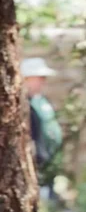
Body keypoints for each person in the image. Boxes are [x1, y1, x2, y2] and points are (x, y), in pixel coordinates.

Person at [21, 57, 63, 194]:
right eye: (39, 78)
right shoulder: (23, 105)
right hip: (37, 165)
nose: (43, 82)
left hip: (50, 163)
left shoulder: (40, 101)